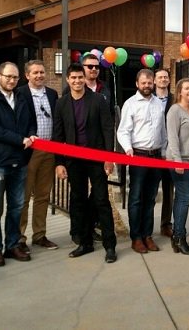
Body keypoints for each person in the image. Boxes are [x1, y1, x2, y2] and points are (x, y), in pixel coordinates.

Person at [53, 63, 118, 263]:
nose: (77, 81)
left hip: (96, 158)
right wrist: (59, 162)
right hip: (74, 161)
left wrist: (109, 157)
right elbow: (58, 135)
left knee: (101, 200)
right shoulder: (62, 103)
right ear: (67, 80)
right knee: (78, 200)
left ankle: (110, 245)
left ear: (84, 78)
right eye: (73, 78)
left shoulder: (98, 100)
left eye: (80, 77)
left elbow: (108, 129)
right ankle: (85, 242)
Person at [0, 62, 36, 266]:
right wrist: (20, 139)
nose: (12, 80)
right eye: (8, 76)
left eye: (15, 77)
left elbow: (30, 122)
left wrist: (30, 135)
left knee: (16, 207)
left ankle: (12, 245)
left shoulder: (21, 98)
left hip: (19, 162)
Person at [117, 69, 167, 254]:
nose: (147, 86)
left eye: (149, 82)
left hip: (156, 156)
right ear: (137, 84)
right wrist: (128, 148)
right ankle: (136, 237)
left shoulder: (158, 104)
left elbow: (162, 130)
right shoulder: (130, 104)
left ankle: (147, 235)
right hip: (138, 155)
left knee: (151, 198)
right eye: (143, 83)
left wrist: (163, 149)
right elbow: (123, 131)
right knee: (136, 198)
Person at [16, 59, 59, 253]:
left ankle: (39, 235)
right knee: (23, 197)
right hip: (29, 152)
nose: (39, 75)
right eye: (35, 73)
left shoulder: (52, 94)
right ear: (27, 75)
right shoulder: (20, 94)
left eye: (42, 72)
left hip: (49, 150)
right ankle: (19, 237)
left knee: (43, 195)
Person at [165, 78, 189, 255]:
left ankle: (177, 234)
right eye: (187, 88)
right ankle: (179, 236)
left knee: (182, 197)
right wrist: (178, 161)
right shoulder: (175, 110)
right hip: (178, 161)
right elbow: (172, 137)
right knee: (185, 197)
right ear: (179, 92)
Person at [154, 68, 175, 238]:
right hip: (152, 151)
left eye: (165, 77)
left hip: (170, 151)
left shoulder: (175, 100)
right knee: (150, 190)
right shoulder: (148, 98)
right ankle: (145, 225)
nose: (163, 79)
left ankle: (166, 224)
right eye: (160, 77)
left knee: (169, 190)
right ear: (154, 80)